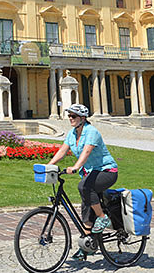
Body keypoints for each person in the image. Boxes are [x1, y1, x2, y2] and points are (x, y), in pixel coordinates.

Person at [47, 103, 119, 253]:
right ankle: (87, 245)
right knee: (85, 207)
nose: (70, 119)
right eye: (69, 116)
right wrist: (49, 165)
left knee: (84, 187)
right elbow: (62, 151)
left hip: (107, 171)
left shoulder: (91, 132)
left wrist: (75, 167)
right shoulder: (72, 134)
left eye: (73, 116)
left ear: (83, 118)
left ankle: (102, 216)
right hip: (92, 174)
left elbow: (86, 152)